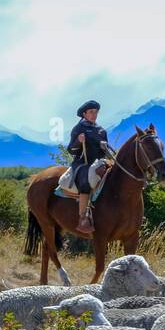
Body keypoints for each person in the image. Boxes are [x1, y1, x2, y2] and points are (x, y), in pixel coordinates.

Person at [67, 100, 110, 236]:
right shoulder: (78, 129)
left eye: (96, 112)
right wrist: (78, 141)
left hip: (99, 161)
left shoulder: (101, 130)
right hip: (82, 163)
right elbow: (71, 150)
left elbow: (105, 152)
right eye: (91, 112)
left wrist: (105, 148)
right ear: (84, 114)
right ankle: (83, 218)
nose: (94, 114)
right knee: (85, 179)